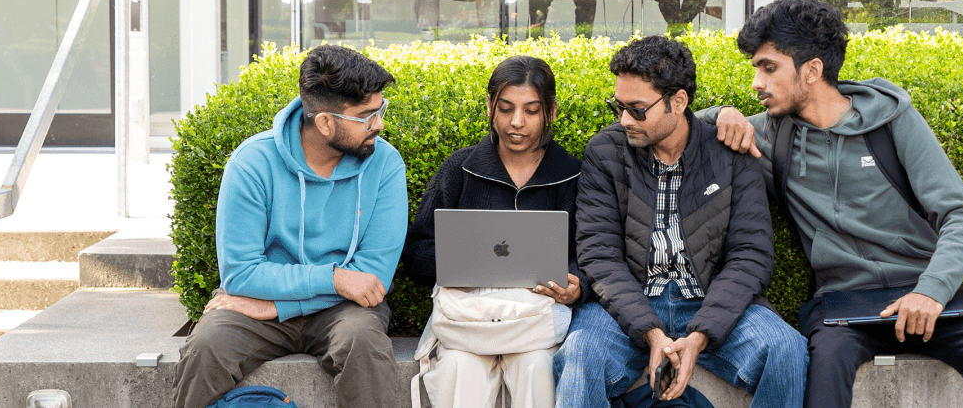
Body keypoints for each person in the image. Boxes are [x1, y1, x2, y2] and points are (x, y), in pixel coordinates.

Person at [698, 0, 963, 408]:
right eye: (756, 69)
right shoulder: (769, 135)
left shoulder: (892, 121)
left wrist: (931, 291)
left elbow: (960, 214)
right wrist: (722, 113)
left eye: (769, 67)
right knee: (822, 374)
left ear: (813, 70)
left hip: (923, 292)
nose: (757, 84)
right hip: (842, 303)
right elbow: (671, 123)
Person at [554, 35, 807, 408]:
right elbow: (598, 253)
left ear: (678, 101)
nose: (625, 120)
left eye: (637, 109)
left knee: (787, 349)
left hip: (709, 300)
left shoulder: (730, 152)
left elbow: (751, 255)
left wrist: (700, 335)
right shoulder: (605, 152)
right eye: (618, 107)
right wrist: (651, 332)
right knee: (579, 354)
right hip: (628, 303)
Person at [172, 44, 408, 408]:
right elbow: (241, 275)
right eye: (367, 116)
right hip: (264, 303)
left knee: (364, 341)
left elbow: (373, 280)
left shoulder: (386, 163)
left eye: (380, 111)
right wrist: (334, 279)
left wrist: (280, 307)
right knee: (206, 347)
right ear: (325, 122)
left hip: (338, 310)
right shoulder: (252, 163)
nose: (379, 124)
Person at [402, 55, 594, 408]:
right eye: (505, 109)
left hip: (533, 321)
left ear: (550, 111)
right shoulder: (461, 169)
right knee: (459, 368)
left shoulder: (572, 176)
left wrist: (576, 284)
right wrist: (452, 266)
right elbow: (415, 251)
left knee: (538, 369)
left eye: (531, 111)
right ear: (490, 106)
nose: (516, 123)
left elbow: (593, 254)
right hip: (468, 320)